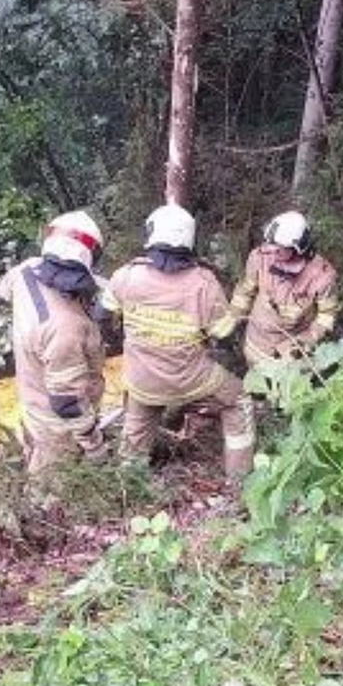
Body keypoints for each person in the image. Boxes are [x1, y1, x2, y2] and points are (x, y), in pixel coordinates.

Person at [106, 203, 255, 482]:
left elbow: (104, 314)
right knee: (239, 400)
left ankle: (129, 487)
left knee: (135, 435)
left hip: (142, 381)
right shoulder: (204, 283)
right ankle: (240, 479)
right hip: (192, 380)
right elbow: (223, 333)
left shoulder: (127, 276)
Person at [0, 211, 109, 477]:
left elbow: (0, 290)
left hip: (32, 405)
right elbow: (68, 402)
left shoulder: (27, 272)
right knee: (51, 495)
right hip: (58, 430)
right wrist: (95, 446)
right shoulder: (67, 328)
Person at [212, 211, 340, 367]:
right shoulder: (259, 258)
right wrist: (233, 315)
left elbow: (326, 316)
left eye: (280, 248)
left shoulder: (321, 276)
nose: (272, 251)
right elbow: (245, 291)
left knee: (289, 389)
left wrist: (305, 341)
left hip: (291, 353)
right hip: (256, 342)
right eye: (271, 245)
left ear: (298, 247)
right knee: (256, 382)